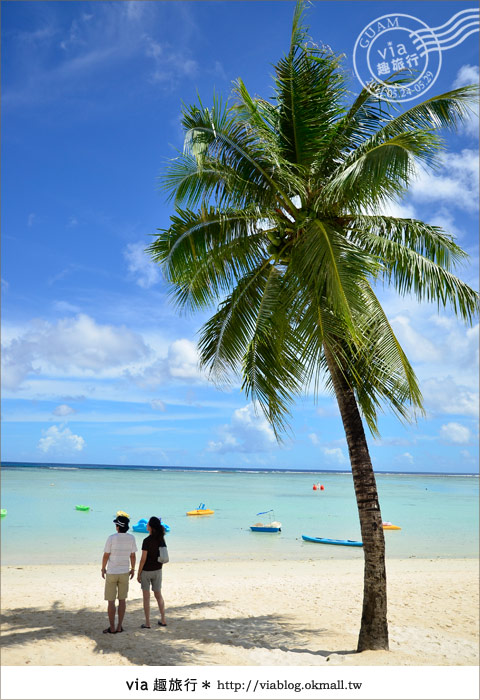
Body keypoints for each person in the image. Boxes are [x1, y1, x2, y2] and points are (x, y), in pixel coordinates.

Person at [101, 514, 137, 634]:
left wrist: (102, 568)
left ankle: (112, 627)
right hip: (124, 572)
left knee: (111, 601)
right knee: (122, 600)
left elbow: (106, 555)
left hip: (112, 572)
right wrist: (133, 569)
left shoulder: (111, 538)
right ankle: (119, 626)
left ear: (118, 527)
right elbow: (133, 555)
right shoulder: (131, 538)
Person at [137, 516, 167, 628]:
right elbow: (163, 555)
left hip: (146, 571)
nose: (146, 525)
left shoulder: (146, 541)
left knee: (146, 597)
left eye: (148, 524)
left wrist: (139, 572)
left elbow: (143, 559)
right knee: (159, 595)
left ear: (151, 527)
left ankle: (148, 623)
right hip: (158, 570)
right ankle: (163, 620)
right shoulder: (161, 539)